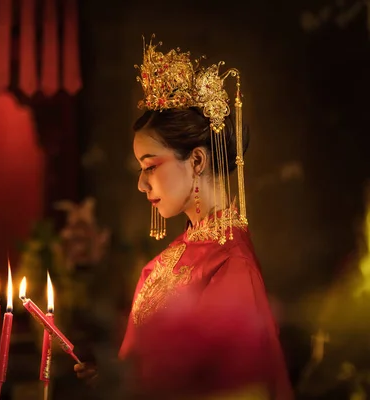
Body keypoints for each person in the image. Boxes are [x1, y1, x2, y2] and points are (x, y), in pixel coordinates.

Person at [75, 37, 294, 399]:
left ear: (196, 160)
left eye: (150, 166)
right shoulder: (178, 255)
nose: (142, 184)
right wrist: (116, 379)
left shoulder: (231, 265)